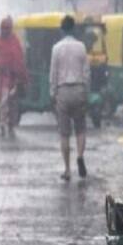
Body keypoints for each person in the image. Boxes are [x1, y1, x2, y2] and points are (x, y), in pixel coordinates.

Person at [49, 15, 91, 181]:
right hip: (79, 89)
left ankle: (67, 170)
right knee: (80, 129)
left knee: (64, 133)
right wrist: (86, 92)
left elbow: (53, 73)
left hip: (63, 91)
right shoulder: (81, 47)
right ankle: (80, 156)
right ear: (74, 29)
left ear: (61, 29)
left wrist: (53, 94)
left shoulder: (57, 48)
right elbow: (87, 72)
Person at [0, 16, 29, 137]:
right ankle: (2, 124)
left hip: (14, 79)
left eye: (7, 28)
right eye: (3, 28)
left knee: (13, 103)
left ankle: (11, 125)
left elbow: (20, 60)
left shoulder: (15, 41)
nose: (4, 30)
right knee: (2, 102)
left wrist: (23, 78)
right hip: (2, 79)